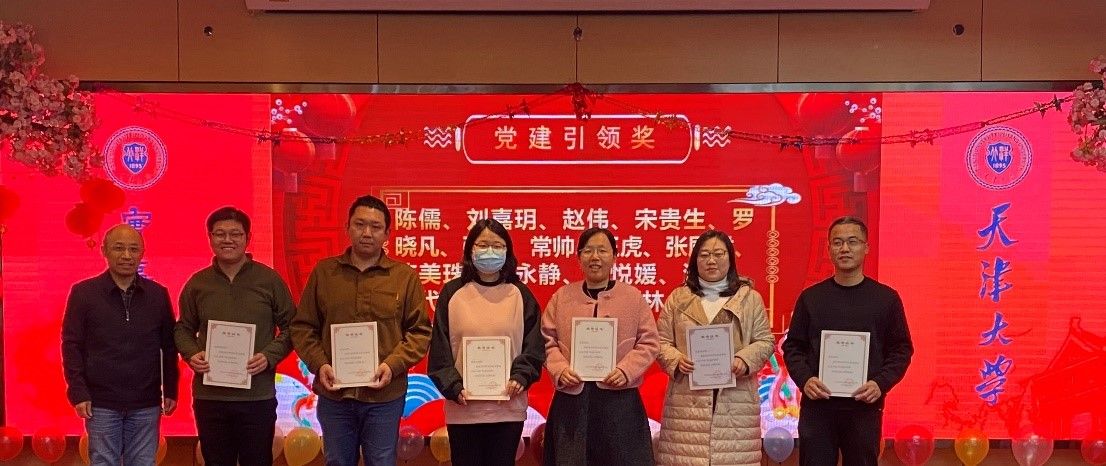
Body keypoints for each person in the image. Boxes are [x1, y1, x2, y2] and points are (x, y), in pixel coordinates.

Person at [290, 194, 432, 466]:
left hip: (385, 396)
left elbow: (420, 332)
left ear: (387, 234)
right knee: (337, 461)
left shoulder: (404, 277)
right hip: (335, 394)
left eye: (376, 227)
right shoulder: (325, 273)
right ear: (347, 228)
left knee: (381, 461)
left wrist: (392, 365)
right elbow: (303, 327)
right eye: (360, 224)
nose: (367, 232)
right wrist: (320, 364)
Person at [782, 216, 914, 466]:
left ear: (866, 248)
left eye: (852, 242)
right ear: (829, 249)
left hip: (864, 407)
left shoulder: (886, 299)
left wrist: (880, 383)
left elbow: (901, 349)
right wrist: (805, 379)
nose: (844, 248)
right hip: (818, 407)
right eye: (837, 242)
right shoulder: (811, 298)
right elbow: (793, 347)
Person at [175, 207, 295, 466]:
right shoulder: (198, 283)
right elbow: (183, 328)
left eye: (235, 234)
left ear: (248, 238)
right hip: (210, 397)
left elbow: (292, 328)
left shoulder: (269, 280)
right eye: (220, 234)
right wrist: (191, 354)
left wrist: (268, 356)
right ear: (210, 237)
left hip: (257, 396)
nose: (227, 240)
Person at [427, 219, 545, 466]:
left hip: (508, 409)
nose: (489, 252)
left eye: (497, 245)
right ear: (470, 249)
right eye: (482, 245)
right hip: (463, 409)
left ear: (507, 251)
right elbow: (440, 350)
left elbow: (533, 346)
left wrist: (521, 376)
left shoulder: (520, 294)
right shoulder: (452, 293)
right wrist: (453, 386)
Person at [61, 224, 179, 466]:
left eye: (133, 249)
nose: (127, 255)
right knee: (103, 461)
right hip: (100, 402)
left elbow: (169, 346)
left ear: (142, 253)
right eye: (119, 248)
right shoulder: (84, 293)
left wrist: (171, 390)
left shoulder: (157, 294)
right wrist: (78, 391)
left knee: (143, 462)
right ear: (104, 250)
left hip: (146, 402)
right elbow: (72, 346)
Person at [654, 229, 775, 465]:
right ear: (694, 260)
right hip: (687, 406)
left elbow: (765, 340)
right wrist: (676, 359)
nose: (711, 260)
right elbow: (660, 341)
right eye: (704, 255)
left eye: (719, 254)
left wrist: (744, 359)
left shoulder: (750, 298)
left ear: (730, 258)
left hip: (735, 404)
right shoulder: (678, 298)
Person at [541, 227, 659, 466]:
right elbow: (546, 340)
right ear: (579, 257)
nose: (595, 257)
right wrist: (560, 369)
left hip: (620, 400)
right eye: (588, 251)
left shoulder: (632, 297)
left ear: (614, 256)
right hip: (572, 400)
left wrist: (626, 371)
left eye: (602, 251)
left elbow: (649, 341)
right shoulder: (562, 297)